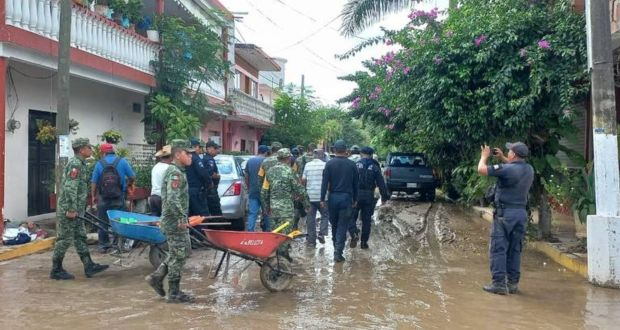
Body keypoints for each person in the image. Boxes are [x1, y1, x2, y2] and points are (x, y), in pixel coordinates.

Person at [478, 142, 534, 295]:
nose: (508, 152)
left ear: (514, 154)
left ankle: (499, 284)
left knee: (499, 248)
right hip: (521, 215)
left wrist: (484, 157)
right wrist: (502, 157)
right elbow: (513, 167)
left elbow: (481, 169)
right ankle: (513, 283)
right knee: (515, 249)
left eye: (509, 151)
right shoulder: (529, 169)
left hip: (505, 215)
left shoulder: (508, 170)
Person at [50, 138, 108, 280]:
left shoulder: (81, 163)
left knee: (80, 237)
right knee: (64, 239)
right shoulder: (76, 164)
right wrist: (71, 208)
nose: (91, 149)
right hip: (69, 210)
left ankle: (89, 265)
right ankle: (56, 269)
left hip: (76, 209)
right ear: (81, 149)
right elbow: (71, 187)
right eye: (88, 147)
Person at [145, 139, 194, 303]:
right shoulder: (175, 173)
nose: (191, 157)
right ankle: (174, 293)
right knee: (178, 256)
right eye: (188, 153)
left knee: (180, 252)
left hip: (174, 220)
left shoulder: (177, 171)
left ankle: (156, 277)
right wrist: (181, 217)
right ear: (178, 154)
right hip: (175, 222)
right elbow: (172, 199)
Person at [261, 148, 310, 260]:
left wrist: (266, 207)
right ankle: (282, 260)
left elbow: (264, 191)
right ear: (288, 158)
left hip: (274, 209)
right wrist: (306, 204)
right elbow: (300, 189)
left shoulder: (269, 172)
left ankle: (279, 258)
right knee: (285, 236)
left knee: (276, 235)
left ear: (278, 158)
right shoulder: (290, 172)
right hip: (287, 209)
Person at [91, 143, 136, 253]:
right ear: (112, 151)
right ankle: (117, 245)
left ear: (103, 153)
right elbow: (132, 176)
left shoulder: (99, 164)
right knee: (120, 220)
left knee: (102, 222)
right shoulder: (122, 161)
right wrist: (128, 184)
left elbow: (94, 182)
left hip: (103, 197)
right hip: (119, 196)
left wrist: (93, 196)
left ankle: (103, 246)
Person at [321, 140, 359, 263]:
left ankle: (336, 250)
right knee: (342, 226)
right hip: (346, 199)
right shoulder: (352, 165)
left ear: (334, 150)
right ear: (346, 150)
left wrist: (322, 199)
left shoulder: (329, 164)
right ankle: (338, 253)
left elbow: (324, 183)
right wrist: (355, 199)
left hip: (333, 198)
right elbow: (355, 185)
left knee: (335, 225)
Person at [348, 147, 390, 249]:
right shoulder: (375, 166)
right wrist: (384, 197)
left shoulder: (356, 165)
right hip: (368, 195)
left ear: (361, 153)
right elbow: (381, 183)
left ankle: (353, 232)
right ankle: (364, 243)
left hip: (356, 195)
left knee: (351, 216)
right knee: (366, 220)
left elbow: (349, 181)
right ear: (371, 154)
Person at [302, 149, 329, 247]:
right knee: (325, 215)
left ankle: (311, 241)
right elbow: (329, 181)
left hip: (310, 196)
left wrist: (304, 193)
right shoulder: (325, 165)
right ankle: (322, 234)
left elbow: (303, 180)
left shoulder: (307, 165)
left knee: (310, 218)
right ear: (322, 156)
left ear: (314, 155)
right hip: (323, 197)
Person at [245, 145, 271, 231]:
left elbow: (247, 177)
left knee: (252, 213)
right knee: (267, 213)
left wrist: (249, 188)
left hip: (253, 191)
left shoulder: (250, 161)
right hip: (265, 191)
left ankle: (250, 231)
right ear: (266, 152)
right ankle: (268, 231)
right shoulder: (267, 161)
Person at [186, 138, 211, 217]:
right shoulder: (195, 158)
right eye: (199, 147)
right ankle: (201, 229)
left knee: (191, 214)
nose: (200, 149)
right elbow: (202, 173)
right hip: (196, 190)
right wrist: (209, 182)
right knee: (202, 214)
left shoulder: (186, 157)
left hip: (187, 189)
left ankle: (193, 229)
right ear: (196, 147)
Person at [149, 145, 172, 216]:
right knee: (167, 221)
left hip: (153, 197)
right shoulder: (169, 168)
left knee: (154, 221)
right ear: (171, 157)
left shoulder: (155, 167)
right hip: (163, 198)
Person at [203, 140, 222, 216]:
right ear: (209, 149)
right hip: (210, 189)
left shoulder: (207, 158)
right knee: (215, 209)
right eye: (215, 148)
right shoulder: (209, 159)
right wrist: (217, 176)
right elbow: (209, 173)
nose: (217, 150)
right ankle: (217, 226)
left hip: (209, 188)